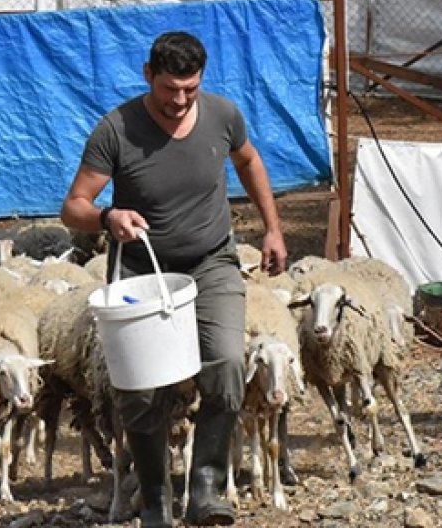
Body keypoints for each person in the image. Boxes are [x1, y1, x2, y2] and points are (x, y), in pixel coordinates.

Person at [61, 31, 287, 526]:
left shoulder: (222, 115)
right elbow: (73, 205)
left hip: (211, 262)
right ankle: (156, 496)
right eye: (169, 90)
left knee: (227, 364)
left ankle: (206, 486)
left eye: (190, 89)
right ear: (148, 75)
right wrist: (107, 218)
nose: (180, 101)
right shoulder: (115, 130)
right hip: (144, 272)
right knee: (141, 389)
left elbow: (249, 161)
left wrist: (272, 228)